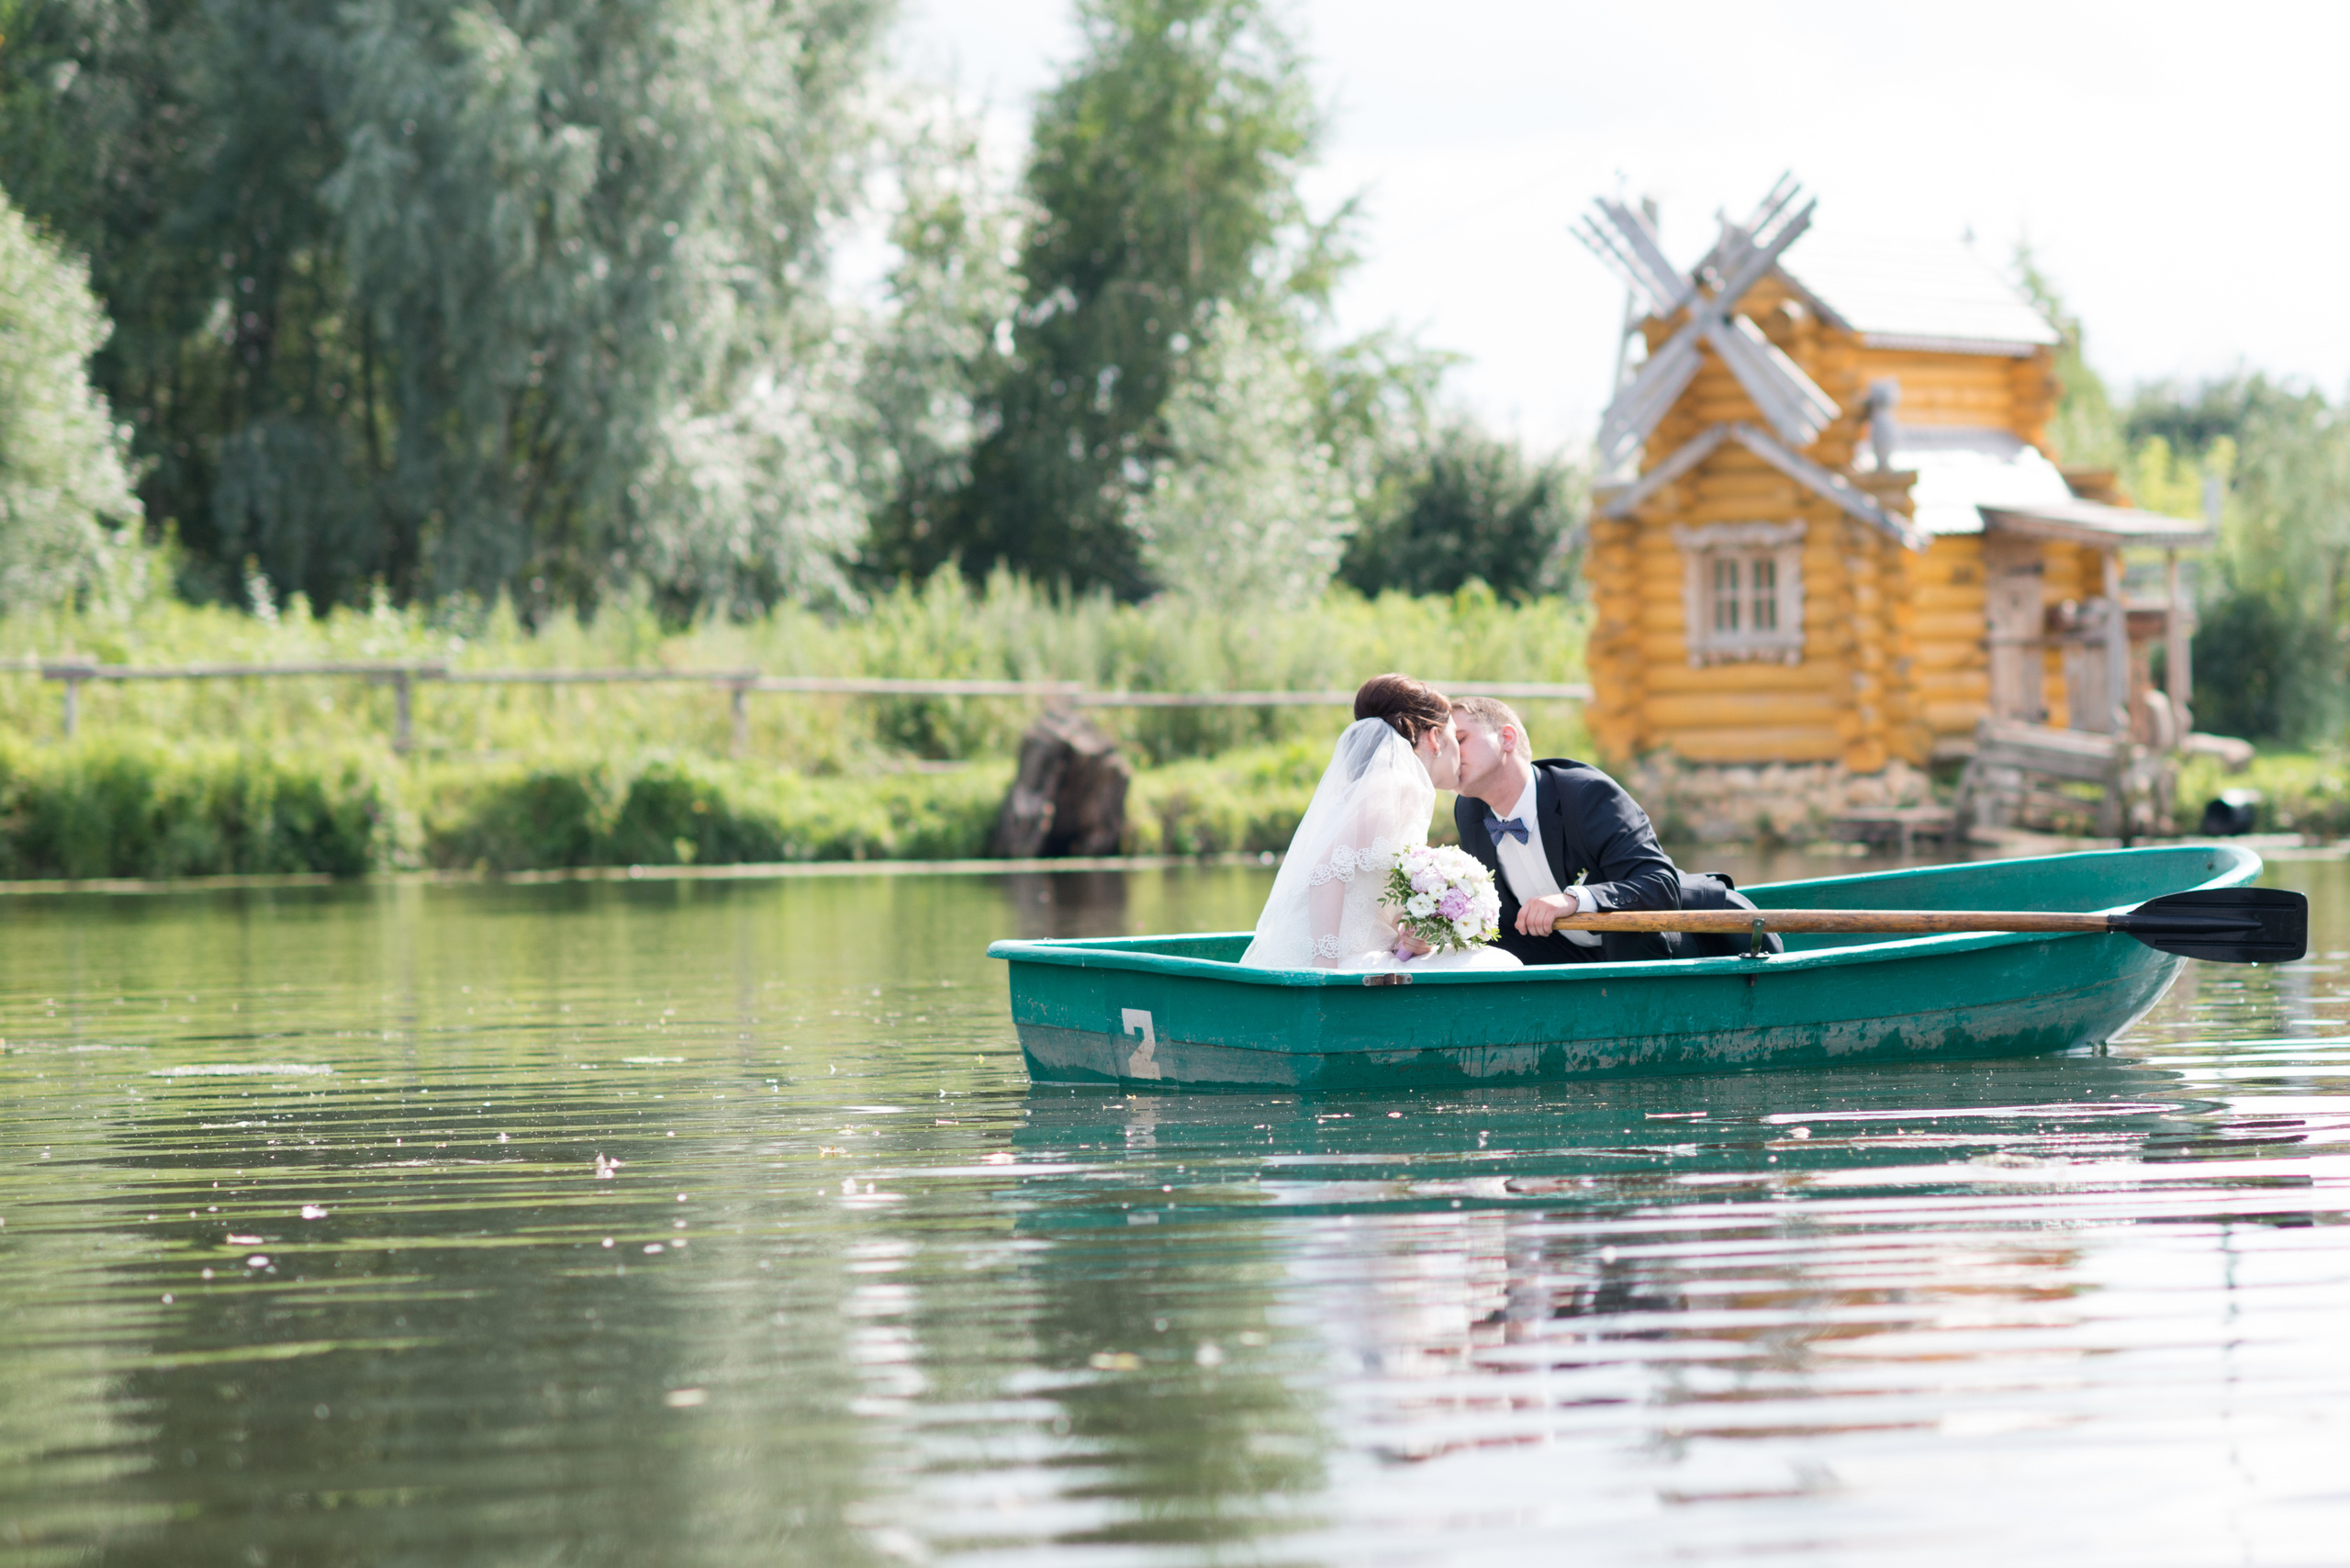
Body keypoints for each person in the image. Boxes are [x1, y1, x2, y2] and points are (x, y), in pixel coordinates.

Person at [1448, 696, 1776, 964]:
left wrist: (1574, 900)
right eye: (1444, 745)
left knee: (1627, 928)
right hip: (1581, 955)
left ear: (1507, 738)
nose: (1450, 753)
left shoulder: (1585, 793)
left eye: (1460, 739)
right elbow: (1502, 920)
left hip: (1706, 938)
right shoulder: (1469, 810)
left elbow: (1659, 886)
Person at [1239, 675, 1523, 972]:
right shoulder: (1399, 786)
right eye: (1456, 737)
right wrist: (1325, 968)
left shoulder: (1389, 786)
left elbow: (1369, 884)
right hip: (1341, 961)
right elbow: (1324, 870)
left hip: (1363, 951)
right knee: (1502, 963)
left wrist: (1413, 930)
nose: (1460, 752)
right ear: (1435, 737)